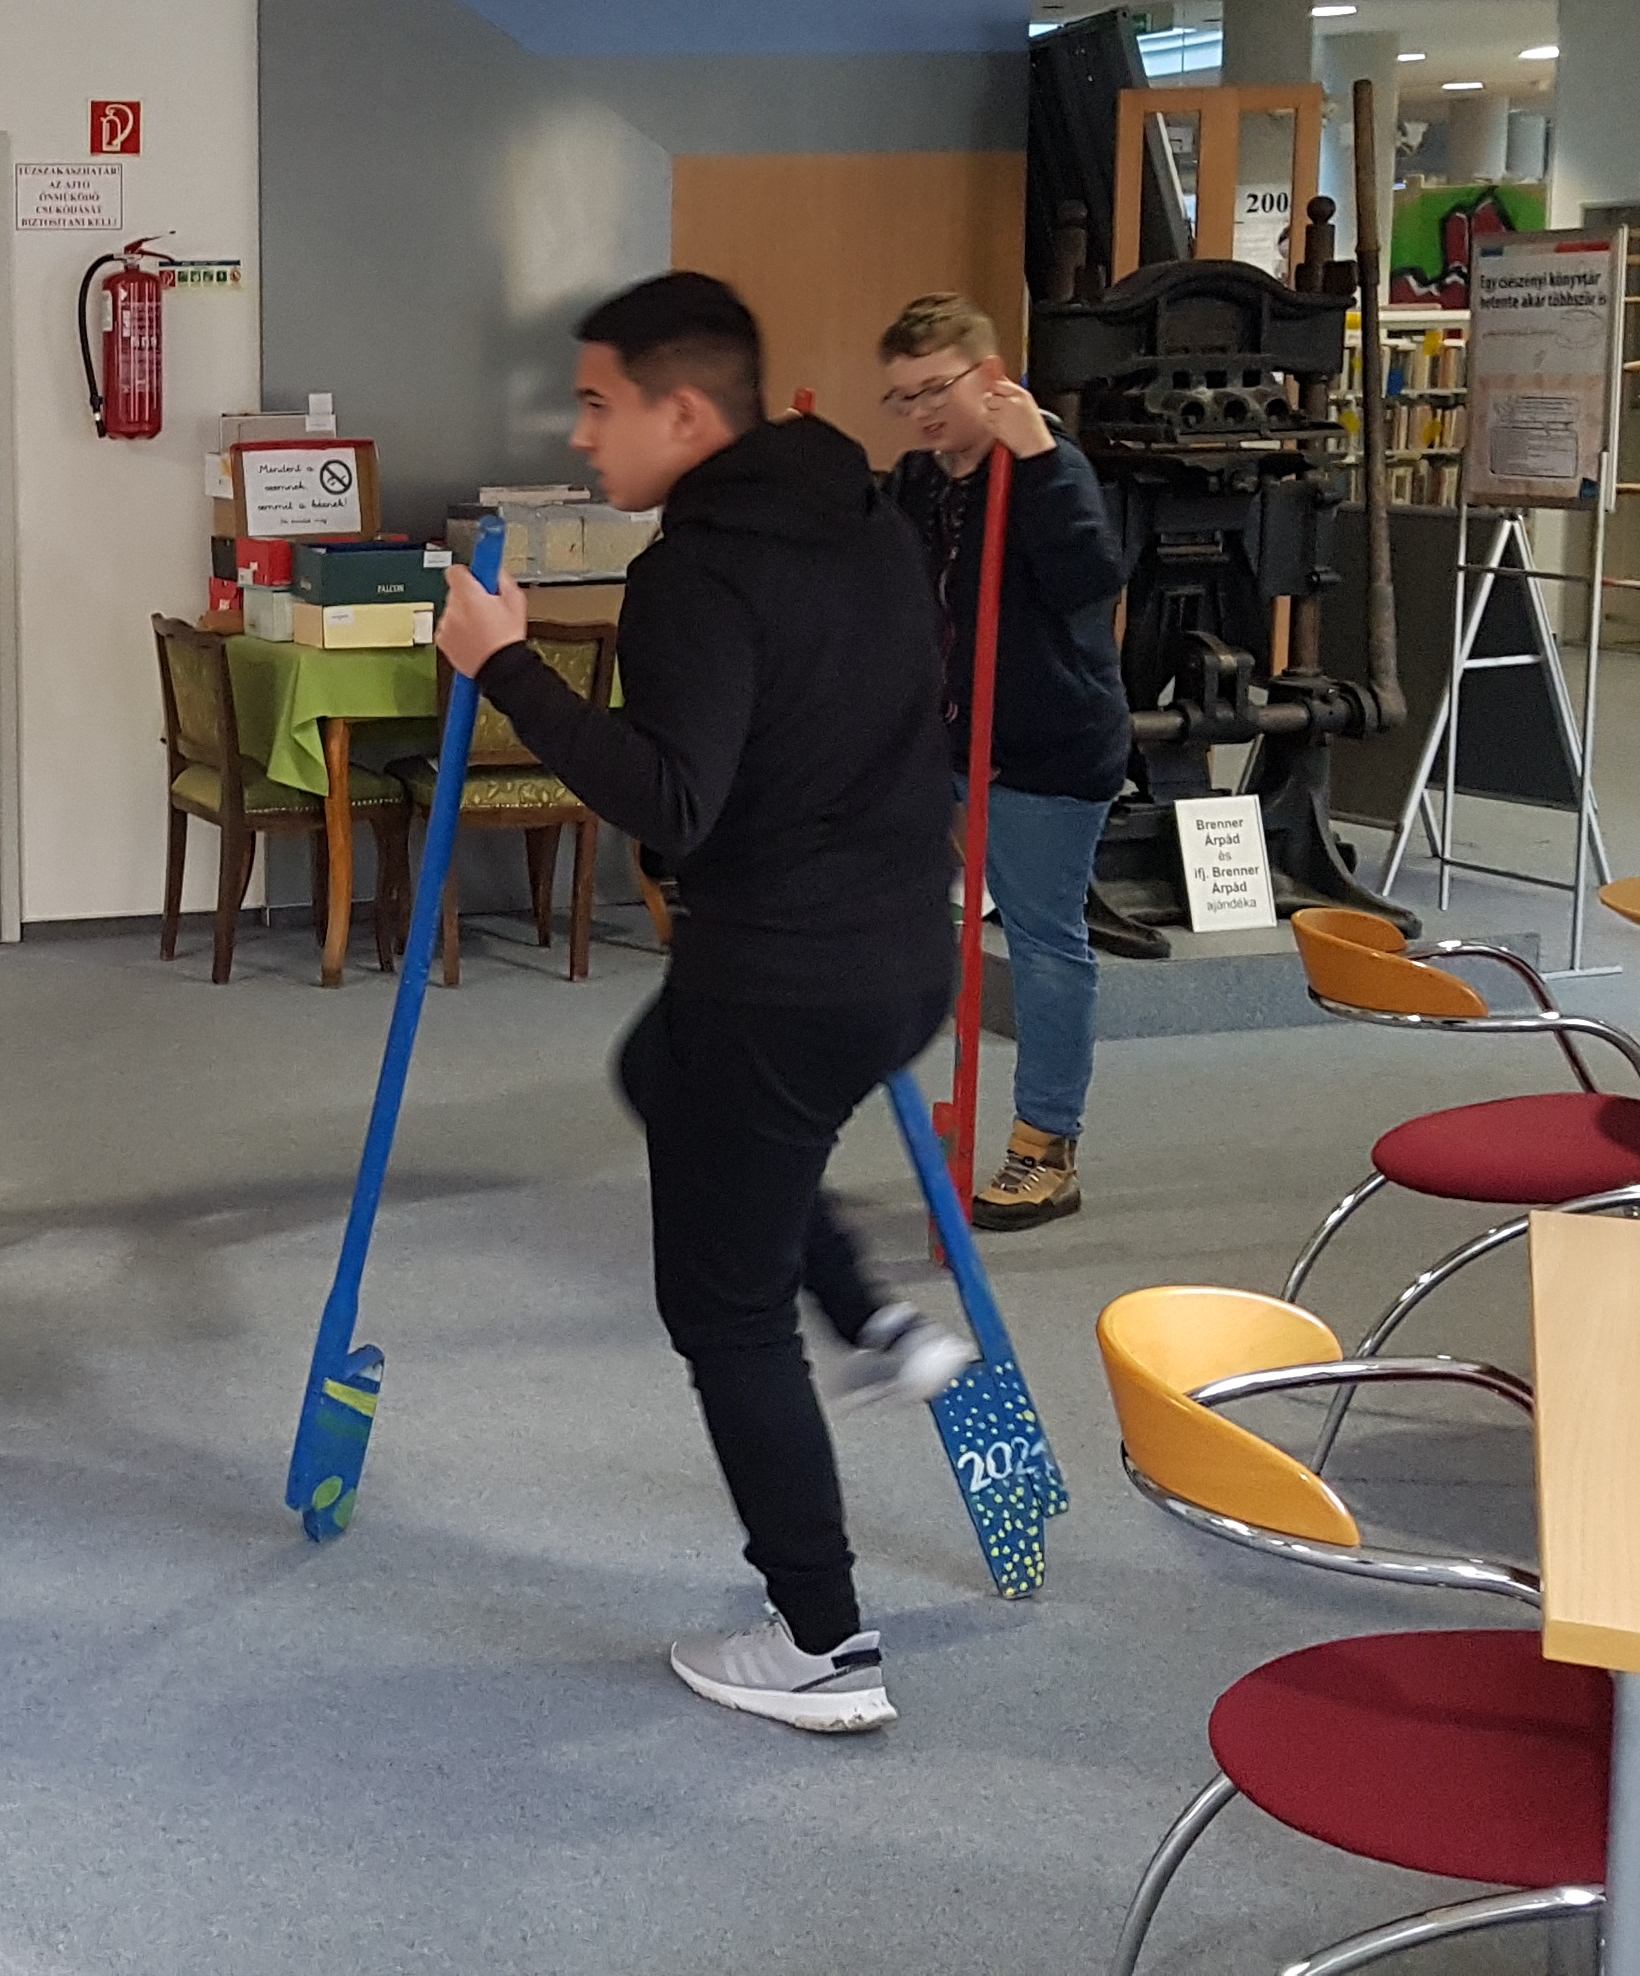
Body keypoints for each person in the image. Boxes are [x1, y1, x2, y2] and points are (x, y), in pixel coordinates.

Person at [435, 272, 972, 1735]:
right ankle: (871, 1315)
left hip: (778, 982)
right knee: (657, 1073)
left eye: (597, 405)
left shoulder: (694, 572)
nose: (580, 435)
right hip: (901, 958)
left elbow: (670, 798)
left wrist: (504, 667)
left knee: (722, 1312)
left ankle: (823, 1643)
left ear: (684, 413)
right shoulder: (863, 517)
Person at [875, 295, 1131, 1231]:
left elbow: (1089, 582)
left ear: (990, 378)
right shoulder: (920, 478)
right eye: (903, 397)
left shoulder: (1051, 466)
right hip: (945, 738)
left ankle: (1045, 1150)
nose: (920, 411)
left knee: (1043, 944)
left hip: (1045, 747)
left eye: (935, 390)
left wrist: (1039, 462)